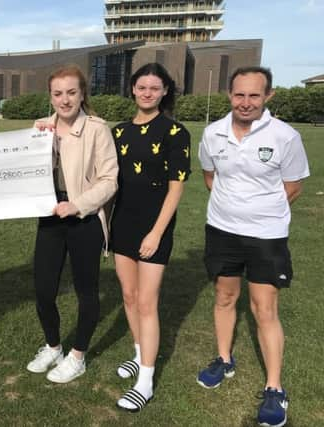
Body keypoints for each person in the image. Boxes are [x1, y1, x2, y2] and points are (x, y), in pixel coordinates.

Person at [197, 67, 309, 427]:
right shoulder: (213, 133)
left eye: (254, 96)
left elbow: (293, 186)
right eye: (239, 95)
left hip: (267, 236)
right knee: (225, 297)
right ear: (230, 95)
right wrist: (233, 211)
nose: (246, 103)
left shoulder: (285, 136)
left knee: (264, 308)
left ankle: (274, 388)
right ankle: (224, 359)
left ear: (268, 97)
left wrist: (261, 214)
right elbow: (210, 176)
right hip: (221, 230)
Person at [26, 64, 118, 384]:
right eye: (58, 93)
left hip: (84, 219)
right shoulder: (39, 128)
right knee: (43, 290)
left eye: (71, 92)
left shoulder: (97, 129)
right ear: (50, 96)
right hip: (50, 219)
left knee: (86, 290)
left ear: (82, 94)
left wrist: (77, 205)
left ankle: (77, 355)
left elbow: (109, 181)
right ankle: (53, 345)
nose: (65, 100)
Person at [110, 63, 191, 412]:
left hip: (154, 227)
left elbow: (176, 189)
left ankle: (146, 380)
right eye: (141, 87)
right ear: (132, 90)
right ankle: (140, 351)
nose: (147, 93)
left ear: (164, 92)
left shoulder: (175, 132)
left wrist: (157, 233)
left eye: (154, 88)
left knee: (146, 302)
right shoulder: (117, 132)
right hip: (122, 224)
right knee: (128, 296)